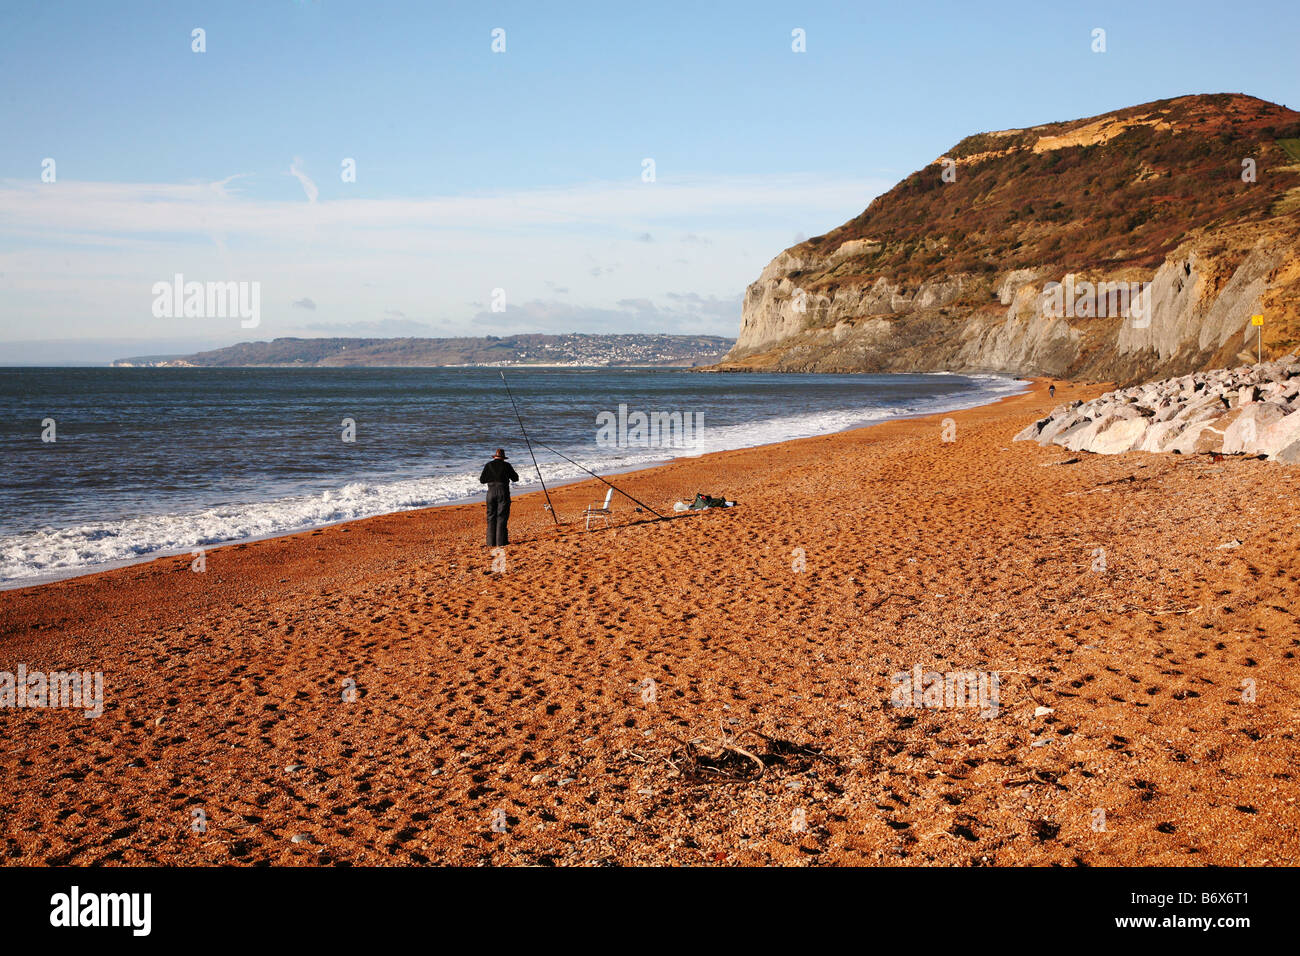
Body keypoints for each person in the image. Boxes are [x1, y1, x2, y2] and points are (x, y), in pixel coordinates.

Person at [479, 448, 519, 547]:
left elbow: (482, 480)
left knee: (490, 516)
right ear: (503, 458)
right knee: (502, 516)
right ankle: (501, 542)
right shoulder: (507, 465)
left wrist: (492, 477)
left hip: (491, 492)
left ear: (495, 456)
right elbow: (515, 478)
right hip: (503, 491)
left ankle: (490, 543)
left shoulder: (488, 465)